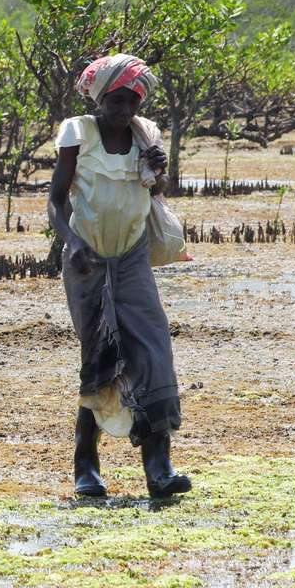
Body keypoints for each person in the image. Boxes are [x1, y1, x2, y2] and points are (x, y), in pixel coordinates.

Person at [48, 54, 191, 499]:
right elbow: (56, 200)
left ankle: (159, 466)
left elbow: (155, 192)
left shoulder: (145, 134)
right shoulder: (79, 131)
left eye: (132, 102)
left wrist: (158, 169)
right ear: (99, 98)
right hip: (86, 260)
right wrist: (73, 244)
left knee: (153, 352)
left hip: (131, 257)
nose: (124, 111)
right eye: (116, 101)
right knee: (101, 357)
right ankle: (85, 466)